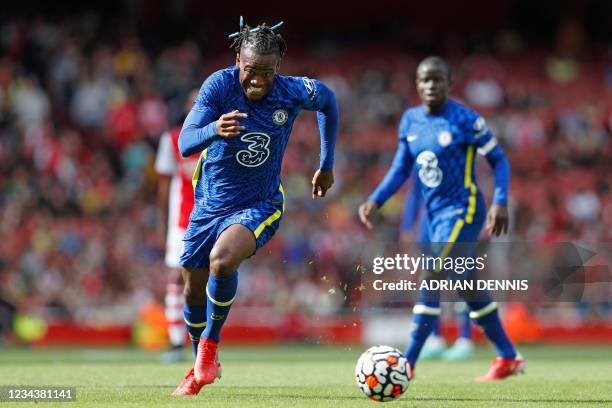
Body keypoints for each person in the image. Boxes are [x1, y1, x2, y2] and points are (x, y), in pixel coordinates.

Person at [172, 19, 339, 396]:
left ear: (277, 67)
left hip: (260, 203)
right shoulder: (219, 85)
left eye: (266, 72)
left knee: (222, 259)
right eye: (251, 71)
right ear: (238, 61)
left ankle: (208, 352)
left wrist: (326, 164)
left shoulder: (292, 91)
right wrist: (215, 128)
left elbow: (327, 99)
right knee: (191, 291)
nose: (258, 81)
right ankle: (199, 359)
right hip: (209, 205)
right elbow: (185, 143)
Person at [359, 56, 525, 381]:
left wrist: (500, 201)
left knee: (433, 273)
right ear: (417, 85)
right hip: (432, 217)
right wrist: (376, 199)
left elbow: (499, 159)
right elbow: (401, 168)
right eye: (425, 80)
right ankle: (508, 356)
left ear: (449, 84)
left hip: (464, 210)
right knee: (466, 284)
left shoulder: (465, 119)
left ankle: (408, 363)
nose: (431, 85)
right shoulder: (410, 121)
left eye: (438, 80)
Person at [400, 175, 474, 361]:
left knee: (461, 281)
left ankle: (465, 339)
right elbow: (415, 192)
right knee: (429, 281)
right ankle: (435, 338)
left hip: (455, 219)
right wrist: (407, 225)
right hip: (428, 224)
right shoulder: (421, 151)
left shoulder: (458, 153)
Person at [154, 89, 201, 363]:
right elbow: (163, 188)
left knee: (208, 279)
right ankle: (175, 342)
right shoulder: (172, 140)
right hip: (182, 221)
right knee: (175, 276)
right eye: (192, 102)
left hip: (212, 219)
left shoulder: (219, 136)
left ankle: (204, 343)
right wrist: (162, 227)